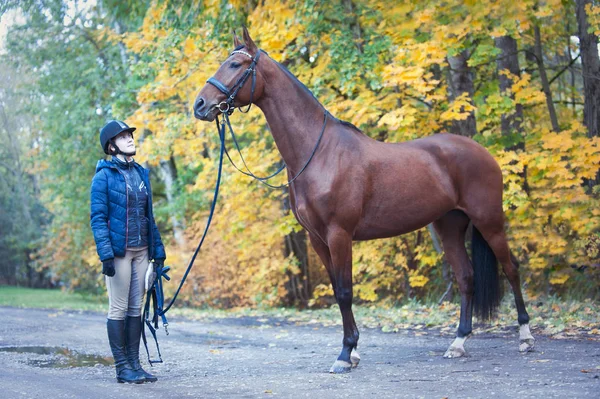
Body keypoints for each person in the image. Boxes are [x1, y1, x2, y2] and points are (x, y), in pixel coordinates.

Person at [90, 120, 166, 384]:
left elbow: (149, 217)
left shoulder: (141, 173)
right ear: (111, 146)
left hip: (142, 251)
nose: (130, 139)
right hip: (119, 253)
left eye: (130, 135)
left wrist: (159, 252)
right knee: (119, 307)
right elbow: (98, 218)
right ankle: (122, 368)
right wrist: (106, 254)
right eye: (123, 137)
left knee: (137, 306)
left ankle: (135, 365)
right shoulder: (103, 177)